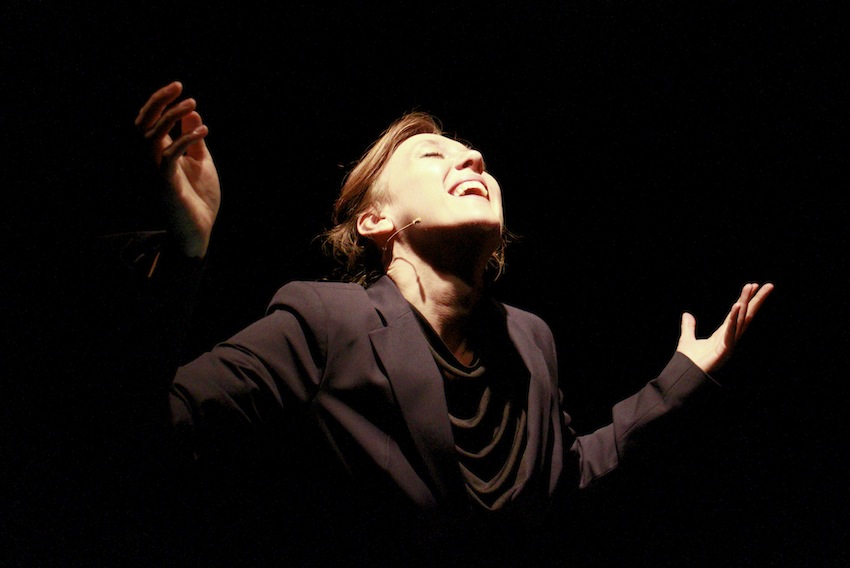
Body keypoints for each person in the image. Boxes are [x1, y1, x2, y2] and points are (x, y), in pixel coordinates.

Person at [123, 81, 773, 566]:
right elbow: (151, 428)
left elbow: (569, 478)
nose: (475, 159)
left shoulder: (531, 342)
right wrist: (185, 253)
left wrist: (681, 378)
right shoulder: (324, 321)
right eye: (433, 155)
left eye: (471, 154)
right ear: (376, 221)